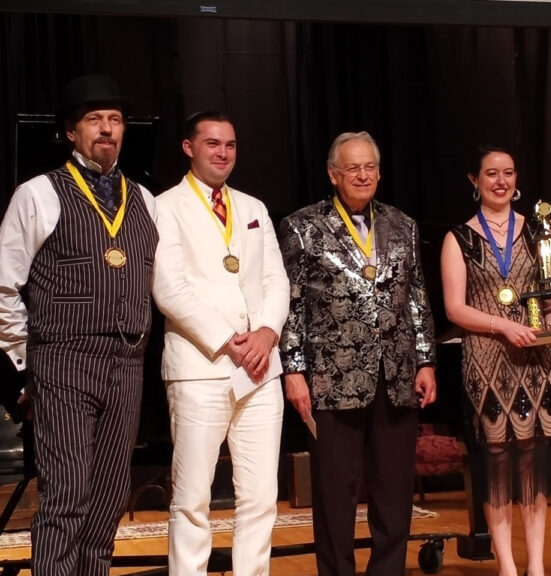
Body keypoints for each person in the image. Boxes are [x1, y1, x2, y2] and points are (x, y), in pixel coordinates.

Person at [0, 74, 158, 575]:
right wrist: (25, 363)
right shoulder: (38, 194)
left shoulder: (147, 202)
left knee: (109, 501)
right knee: (66, 498)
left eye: (114, 119)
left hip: (127, 364)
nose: (107, 129)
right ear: (71, 132)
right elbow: (3, 285)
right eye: (94, 120)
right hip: (63, 363)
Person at [279, 131, 438, 576]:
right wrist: (293, 369)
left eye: (370, 166)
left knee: (394, 493)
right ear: (334, 175)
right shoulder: (301, 226)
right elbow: (289, 304)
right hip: (332, 380)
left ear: (380, 171)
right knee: (334, 496)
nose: (363, 174)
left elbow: (418, 298)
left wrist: (426, 360)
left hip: (398, 375)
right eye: (353, 168)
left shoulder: (402, 224)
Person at [151, 111, 289, 575]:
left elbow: (276, 280)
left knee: (261, 496)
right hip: (200, 365)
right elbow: (169, 289)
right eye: (212, 143)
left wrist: (268, 332)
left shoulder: (253, 208)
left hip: (260, 368)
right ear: (189, 147)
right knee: (192, 499)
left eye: (229, 144)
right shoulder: (164, 206)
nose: (222, 152)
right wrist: (230, 342)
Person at [441, 145, 551, 576]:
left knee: (534, 461)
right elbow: (455, 309)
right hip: (485, 357)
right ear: (473, 180)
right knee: (497, 463)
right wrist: (503, 325)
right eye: (491, 173)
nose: (501, 181)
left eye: (508, 173)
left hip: (535, 359)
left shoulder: (539, 231)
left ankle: (536, 566)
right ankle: (508, 567)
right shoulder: (458, 238)